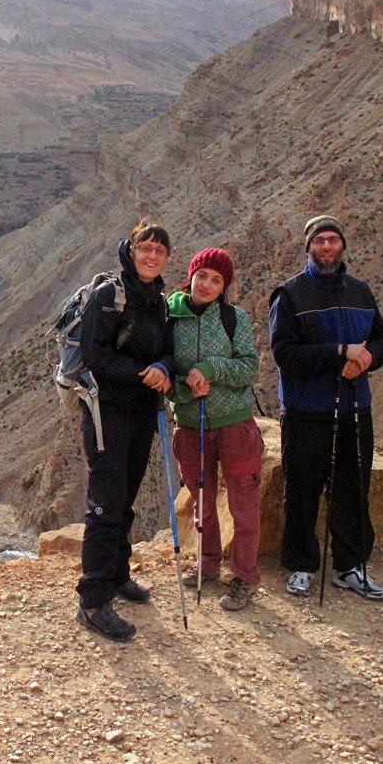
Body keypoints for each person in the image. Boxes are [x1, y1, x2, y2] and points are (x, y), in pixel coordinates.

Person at [269, 215, 383, 600]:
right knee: (302, 490)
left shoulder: (360, 291)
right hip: (306, 411)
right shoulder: (290, 294)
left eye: (333, 240)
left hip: (355, 407)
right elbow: (285, 354)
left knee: (354, 488)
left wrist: (366, 357)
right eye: (319, 240)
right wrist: (340, 353)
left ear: (342, 246)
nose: (326, 246)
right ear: (308, 247)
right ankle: (301, 565)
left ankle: (350, 566)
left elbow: (381, 341)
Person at [75, 222, 174, 642]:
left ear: (166, 258)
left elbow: (167, 349)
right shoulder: (108, 296)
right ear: (131, 252)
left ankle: (117, 574)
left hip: (141, 412)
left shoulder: (159, 302)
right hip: (107, 411)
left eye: (159, 251)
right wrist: (142, 374)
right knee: (105, 503)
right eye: (144, 248)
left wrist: (164, 367)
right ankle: (92, 600)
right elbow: (93, 355)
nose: (151, 256)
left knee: (126, 495)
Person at [167, 248, 264, 611]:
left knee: (243, 505)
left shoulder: (233, 318)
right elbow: (164, 373)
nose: (206, 284)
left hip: (234, 423)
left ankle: (244, 576)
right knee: (201, 500)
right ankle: (208, 564)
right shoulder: (169, 319)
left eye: (216, 279)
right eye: (202, 275)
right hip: (190, 424)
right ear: (190, 276)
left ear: (225, 286)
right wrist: (185, 389)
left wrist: (211, 368)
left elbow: (249, 368)